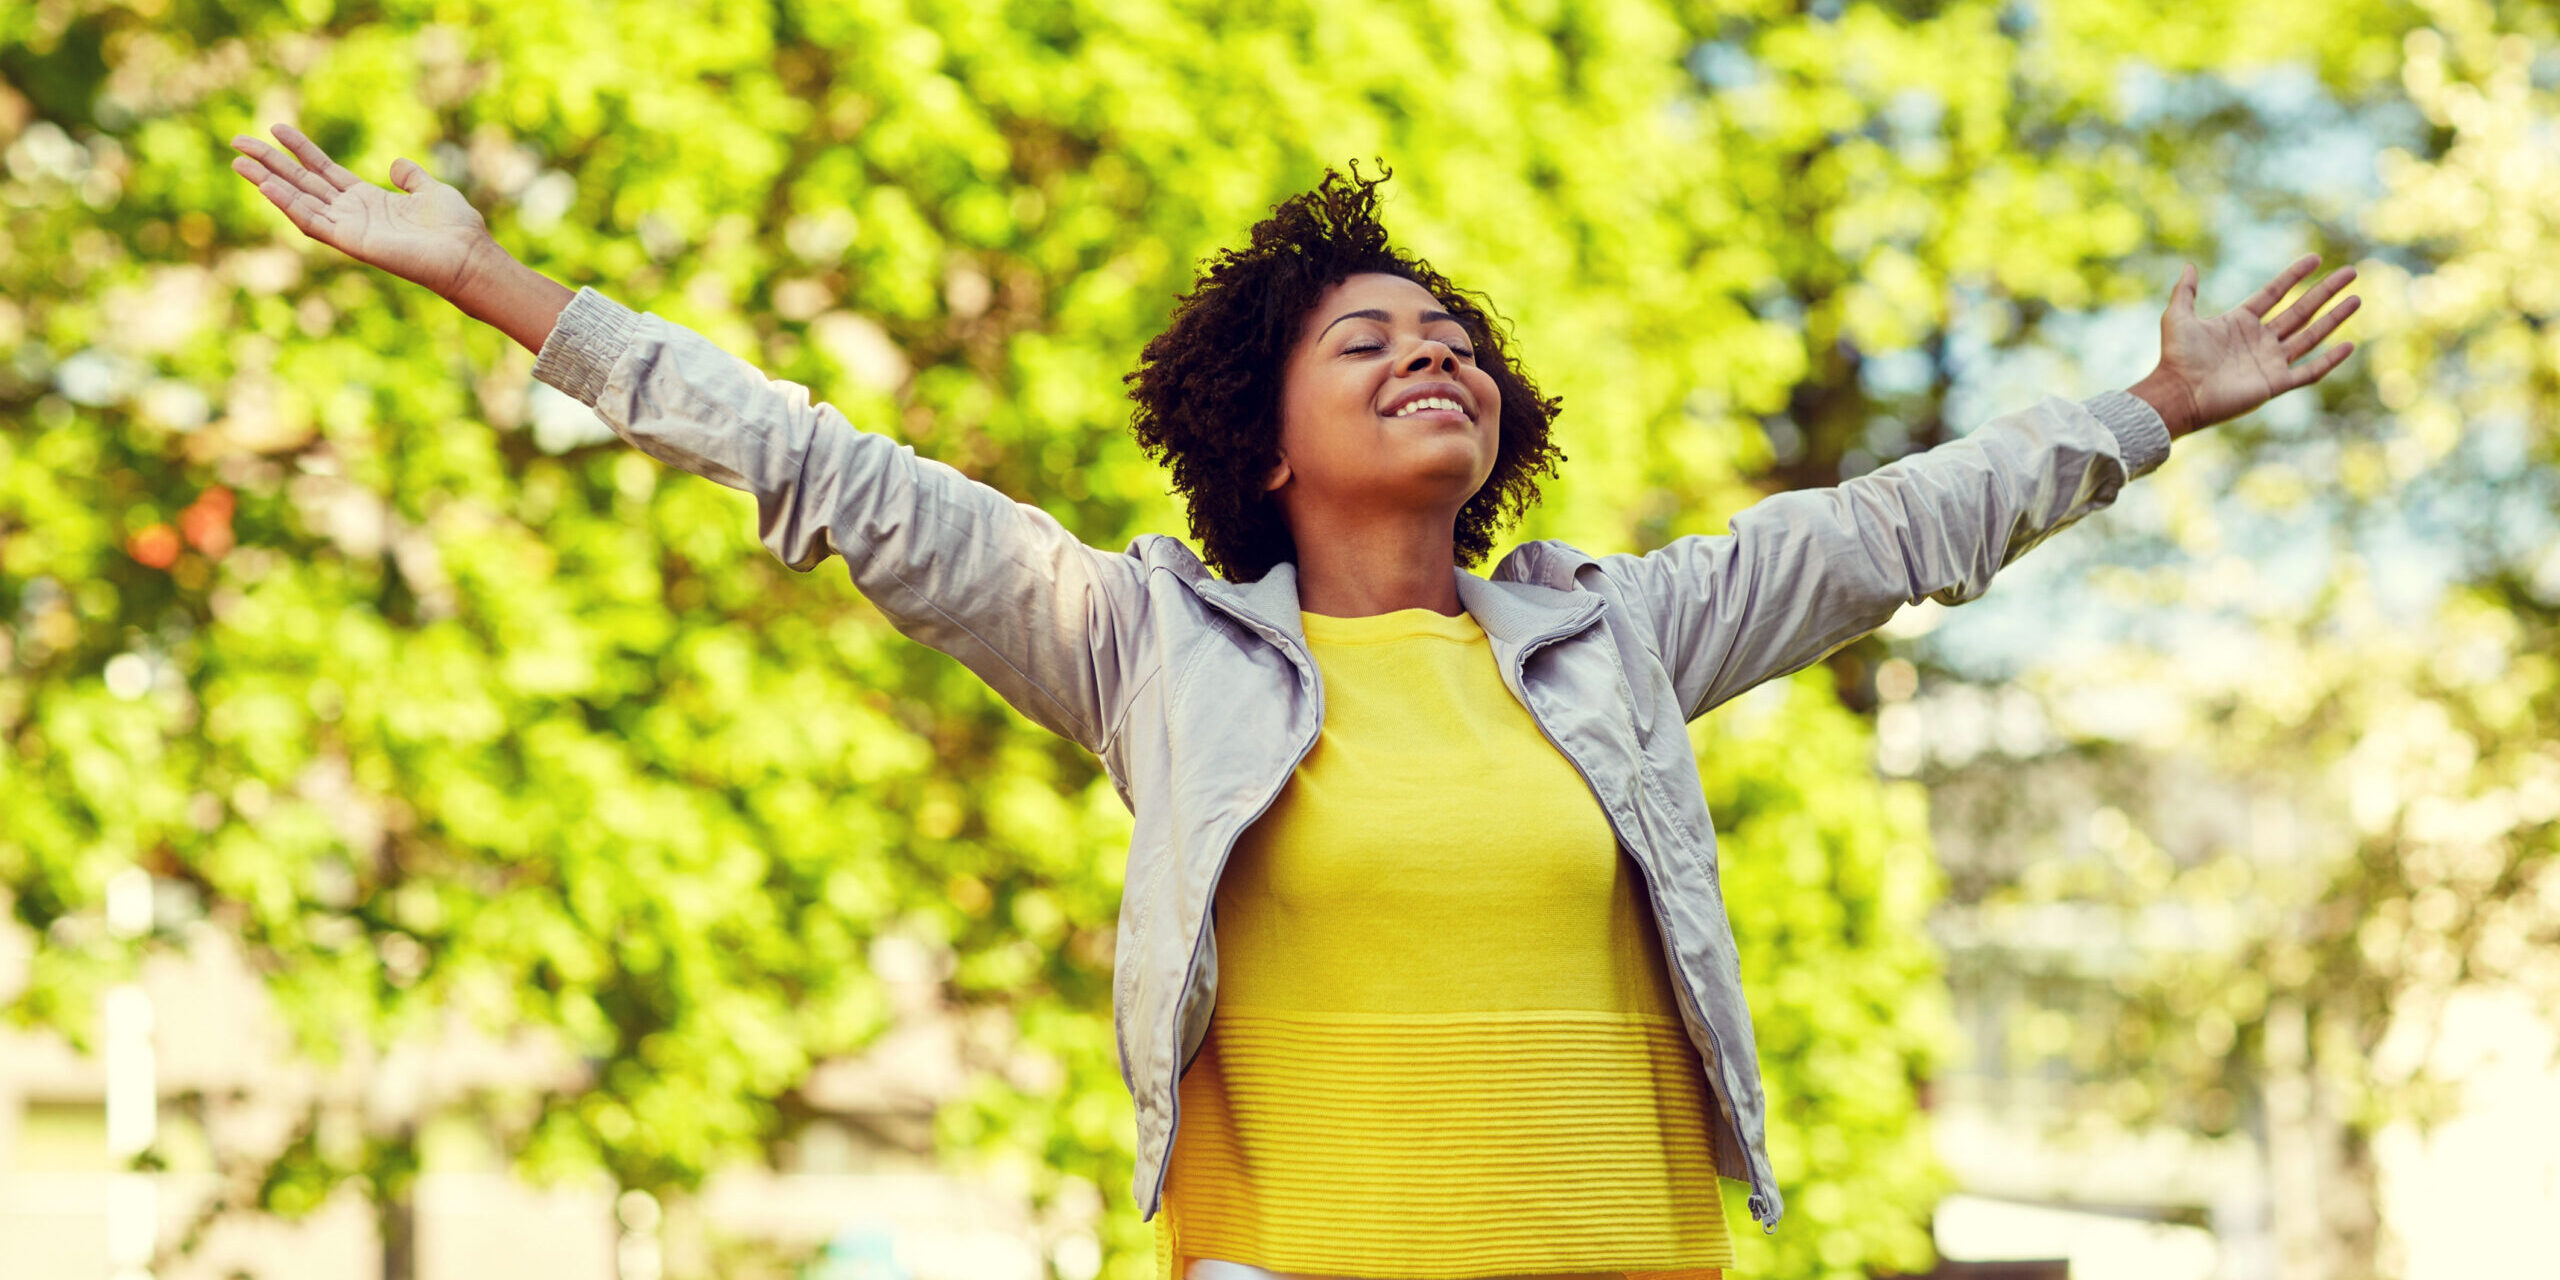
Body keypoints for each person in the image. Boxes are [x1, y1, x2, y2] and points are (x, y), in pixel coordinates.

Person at [229, 124, 2360, 1280]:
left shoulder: (1623, 642)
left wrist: (2155, 405)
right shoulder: (1138, 649)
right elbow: (821, 469)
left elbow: (1903, 525)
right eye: (1370, 339)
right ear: (1263, 437)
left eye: (1452, 339)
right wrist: (487, 280)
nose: (1430, 351)